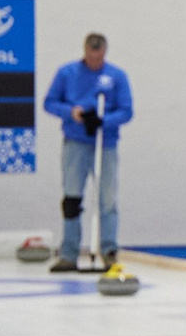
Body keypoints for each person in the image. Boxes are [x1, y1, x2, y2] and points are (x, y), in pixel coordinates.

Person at [41, 33, 133, 273]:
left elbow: (127, 111)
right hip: (75, 143)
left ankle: (109, 251)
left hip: (106, 145)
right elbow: (49, 103)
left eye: (99, 56)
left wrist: (103, 120)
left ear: (104, 52)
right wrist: (72, 112)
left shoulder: (116, 76)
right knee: (72, 198)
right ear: (85, 51)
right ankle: (69, 254)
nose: (94, 61)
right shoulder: (67, 73)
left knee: (107, 199)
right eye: (91, 56)